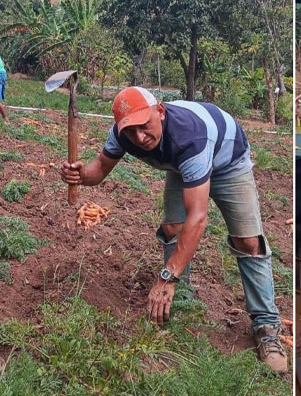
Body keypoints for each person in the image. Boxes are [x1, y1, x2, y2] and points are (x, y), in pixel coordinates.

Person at [59, 86, 288, 372]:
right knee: (171, 227)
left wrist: (167, 276)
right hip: (184, 168)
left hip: (228, 161)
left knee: (248, 242)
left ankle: (266, 327)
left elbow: (199, 218)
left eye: (145, 126)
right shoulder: (122, 133)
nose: (140, 138)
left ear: (161, 112)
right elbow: (100, 169)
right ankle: (183, 302)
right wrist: (80, 175)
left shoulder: (188, 136)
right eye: (131, 131)